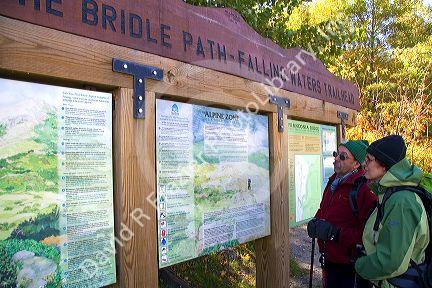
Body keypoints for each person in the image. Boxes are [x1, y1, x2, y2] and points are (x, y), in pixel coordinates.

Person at [354, 135, 429, 287]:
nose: (364, 164)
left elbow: (391, 261)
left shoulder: (402, 202)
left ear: (384, 164)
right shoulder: (388, 193)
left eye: (369, 159)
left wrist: (359, 265)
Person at [307, 140, 377, 288]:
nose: (336, 159)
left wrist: (335, 233)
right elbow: (323, 210)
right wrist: (316, 221)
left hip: (350, 267)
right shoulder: (334, 180)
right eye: (336, 154)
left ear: (356, 164)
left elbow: (368, 235)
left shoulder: (364, 189)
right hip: (329, 259)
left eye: (343, 156)